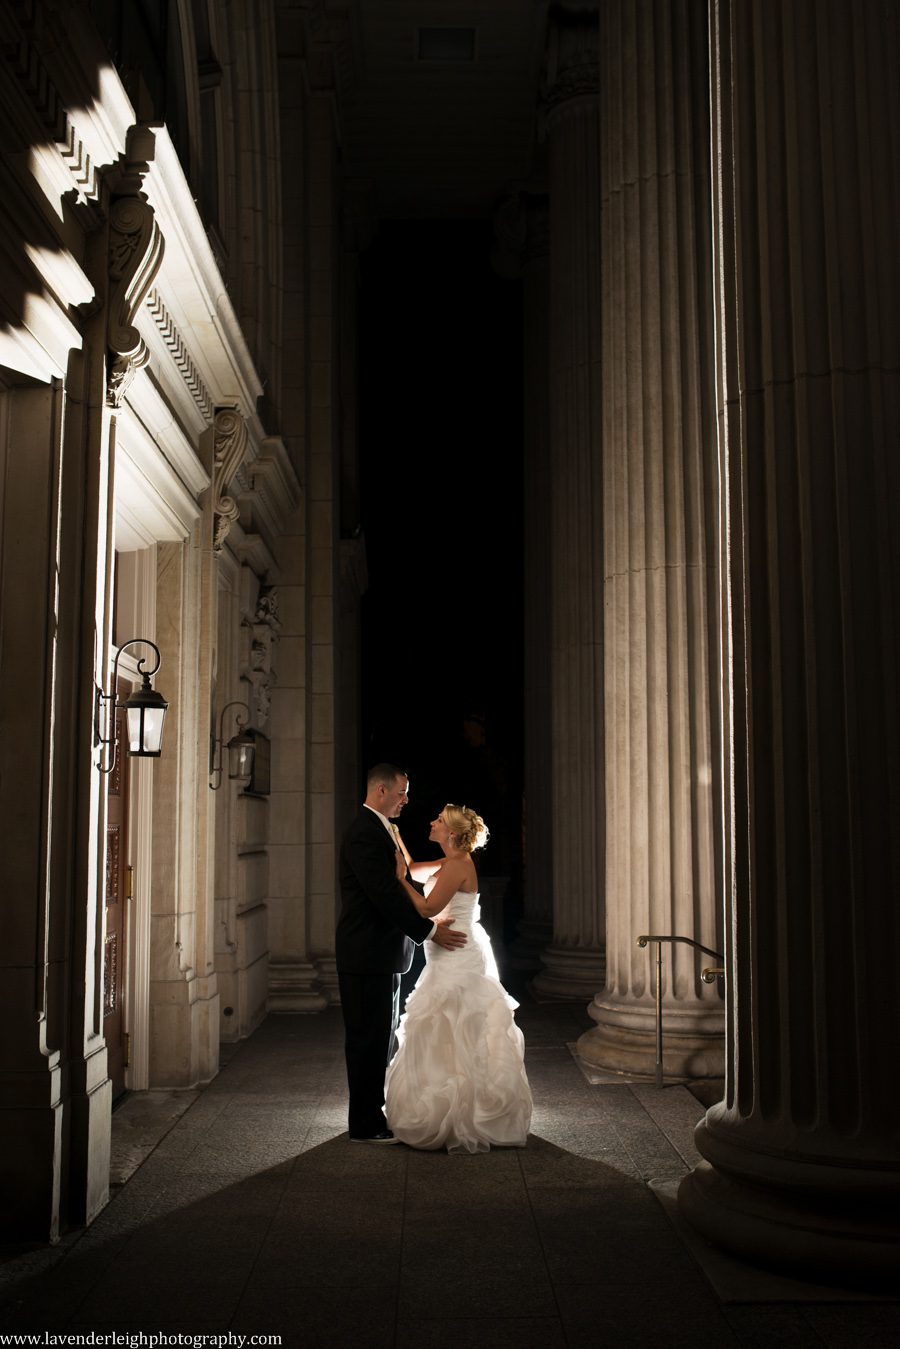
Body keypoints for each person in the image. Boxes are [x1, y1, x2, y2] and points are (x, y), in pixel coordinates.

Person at [385, 803, 532, 1153]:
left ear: (451, 832)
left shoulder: (459, 865)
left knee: (456, 1026)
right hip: (445, 956)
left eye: (438, 820)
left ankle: (464, 1113)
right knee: (442, 1028)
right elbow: (415, 871)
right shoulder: (448, 862)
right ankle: (440, 1109)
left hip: (458, 959)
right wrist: (397, 839)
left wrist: (397, 881)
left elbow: (426, 908)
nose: (432, 822)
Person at [337, 764, 468, 1144]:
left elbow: (401, 880)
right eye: (401, 793)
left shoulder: (384, 829)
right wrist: (428, 931)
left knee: (380, 1039)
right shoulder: (365, 833)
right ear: (381, 791)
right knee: (367, 1041)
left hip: (383, 954)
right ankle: (364, 1124)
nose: (406, 800)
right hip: (366, 954)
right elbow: (384, 894)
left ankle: (374, 1114)